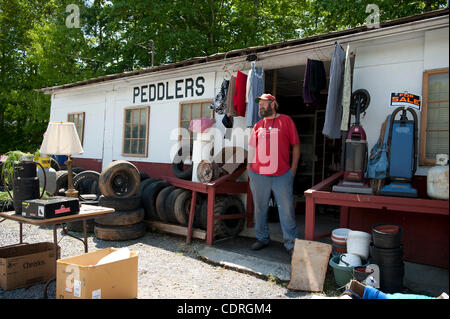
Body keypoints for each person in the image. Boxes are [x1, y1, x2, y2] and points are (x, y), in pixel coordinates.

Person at [247, 93, 301, 256]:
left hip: (282, 175)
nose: (260, 106)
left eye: (264, 103)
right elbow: (252, 149)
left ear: (273, 104)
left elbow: (296, 146)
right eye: (259, 104)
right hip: (258, 175)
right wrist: (249, 169)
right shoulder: (257, 126)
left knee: (286, 209)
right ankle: (262, 238)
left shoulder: (286, 121)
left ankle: (291, 244)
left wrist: (293, 170)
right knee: (260, 209)